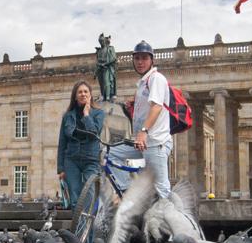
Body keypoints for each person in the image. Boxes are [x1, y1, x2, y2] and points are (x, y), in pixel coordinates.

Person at [107, 40, 173, 198]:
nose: (140, 62)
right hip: (141, 144)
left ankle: (173, 220)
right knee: (109, 154)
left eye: (144, 58)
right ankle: (128, 189)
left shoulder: (156, 78)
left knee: (161, 189)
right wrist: (134, 103)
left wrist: (143, 131)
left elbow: (156, 106)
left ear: (152, 60)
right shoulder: (143, 84)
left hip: (155, 143)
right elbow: (146, 107)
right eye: (137, 58)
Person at [57, 81, 105, 207]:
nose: (83, 94)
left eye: (86, 91)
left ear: (90, 95)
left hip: (91, 159)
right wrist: (61, 168)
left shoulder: (98, 113)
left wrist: (86, 114)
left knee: (90, 194)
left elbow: (95, 132)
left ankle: (89, 227)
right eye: (80, 92)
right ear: (75, 96)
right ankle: (79, 227)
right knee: (74, 197)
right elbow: (62, 142)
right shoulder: (67, 116)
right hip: (71, 159)